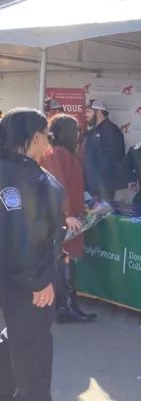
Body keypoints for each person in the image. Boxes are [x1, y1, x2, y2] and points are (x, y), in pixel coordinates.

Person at [0, 108, 74, 401]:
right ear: (34, 137)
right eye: (47, 135)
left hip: (19, 278)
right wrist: (40, 280)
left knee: (13, 343)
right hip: (28, 284)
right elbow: (18, 235)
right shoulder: (19, 177)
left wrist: (57, 249)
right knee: (34, 357)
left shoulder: (15, 170)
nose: (49, 142)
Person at [40, 113, 96, 323]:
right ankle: (66, 306)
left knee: (62, 260)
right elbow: (59, 185)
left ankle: (63, 306)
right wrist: (69, 215)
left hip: (62, 218)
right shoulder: (58, 154)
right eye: (77, 130)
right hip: (64, 221)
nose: (79, 134)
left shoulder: (54, 153)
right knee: (65, 259)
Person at [80, 99, 125, 200]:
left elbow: (112, 160)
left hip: (103, 186)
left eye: (88, 112)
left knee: (103, 210)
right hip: (93, 185)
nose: (85, 115)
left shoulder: (112, 131)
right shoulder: (92, 132)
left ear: (98, 113)